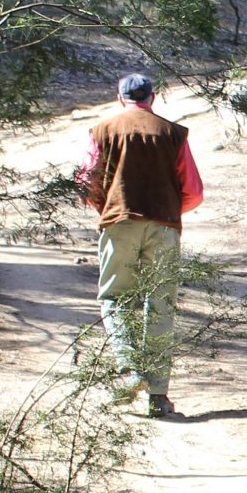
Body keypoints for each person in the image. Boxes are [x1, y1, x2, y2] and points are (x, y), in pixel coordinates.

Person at [77, 73, 204, 418]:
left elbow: (86, 180)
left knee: (114, 300)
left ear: (119, 98)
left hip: (119, 223)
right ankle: (158, 397)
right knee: (160, 304)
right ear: (153, 97)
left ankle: (129, 370)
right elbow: (193, 190)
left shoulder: (102, 131)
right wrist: (167, 210)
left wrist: (107, 206)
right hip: (164, 226)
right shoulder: (173, 133)